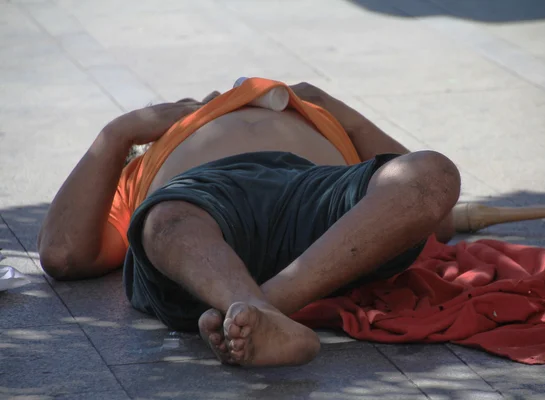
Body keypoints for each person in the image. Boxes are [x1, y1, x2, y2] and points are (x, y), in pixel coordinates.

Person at [37, 78, 460, 367]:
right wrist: (119, 133)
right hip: (203, 201)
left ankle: (260, 310)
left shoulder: (320, 114)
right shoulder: (144, 164)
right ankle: (253, 309)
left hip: (317, 196)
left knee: (433, 171)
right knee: (163, 221)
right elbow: (62, 254)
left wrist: (337, 113)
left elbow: (436, 221)